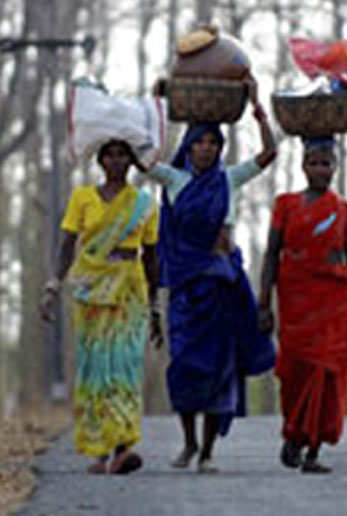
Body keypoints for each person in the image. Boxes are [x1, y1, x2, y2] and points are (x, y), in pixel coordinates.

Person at [142, 79, 277, 473]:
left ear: (220, 149)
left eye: (213, 143)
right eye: (199, 142)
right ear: (190, 147)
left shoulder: (228, 179)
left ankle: (207, 452)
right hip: (186, 289)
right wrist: (156, 103)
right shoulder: (174, 180)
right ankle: (186, 443)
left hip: (222, 286)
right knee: (185, 363)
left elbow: (269, 153)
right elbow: (142, 158)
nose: (206, 148)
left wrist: (255, 105)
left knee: (220, 368)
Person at [39, 140, 163, 475]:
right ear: (100, 160)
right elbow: (67, 246)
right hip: (90, 290)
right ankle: (99, 449)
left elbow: (151, 258)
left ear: (132, 160)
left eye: (123, 154)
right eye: (109, 154)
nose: (116, 160)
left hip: (129, 290)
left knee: (123, 366)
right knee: (95, 368)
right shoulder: (82, 198)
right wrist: (52, 285)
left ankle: (123, 447)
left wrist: (155, 308)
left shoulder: (144, 204)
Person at [258, 136, 347, 474]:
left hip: (333, 304)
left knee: (326, 375)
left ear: (335, 168)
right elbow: (270, 254)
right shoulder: (285, 205)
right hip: (294, 299)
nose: (320, 170)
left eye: (326, 164)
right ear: (303, 166)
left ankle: (313, 450)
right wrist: (264, 302)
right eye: (314, 163)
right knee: (295, 373)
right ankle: (293, 436)